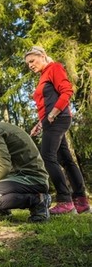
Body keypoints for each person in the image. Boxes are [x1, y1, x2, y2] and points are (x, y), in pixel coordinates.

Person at [25, 46, 90, 214]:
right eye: (28, 64)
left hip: (58, 119)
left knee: (47, 157)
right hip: (51, 121)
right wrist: (40, 124)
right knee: (66, 159)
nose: (30, 65)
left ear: (43, 56)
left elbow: (67, 91)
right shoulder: (42, 76)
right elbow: (45, 105)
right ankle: (81, 202)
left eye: (32, 61)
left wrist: (53, 114)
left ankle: (65, 201)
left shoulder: (54, 68)